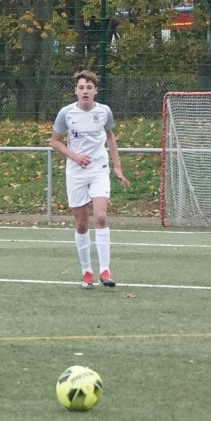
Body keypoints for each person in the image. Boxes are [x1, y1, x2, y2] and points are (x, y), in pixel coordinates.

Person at [49, 69, 129, 289]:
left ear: (96, 91)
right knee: (82, 223)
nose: (85, 91)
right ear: (75, 91)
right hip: (76, 173)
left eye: (89, 87)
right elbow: (54, 141)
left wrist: (117, 167)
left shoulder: (104, 112)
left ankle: (105, 270)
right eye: (81, 87)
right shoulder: (66, 113)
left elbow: (110, 136)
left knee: (101, 217)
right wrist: (74, 156)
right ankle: (86, 272)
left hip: (98, 170)